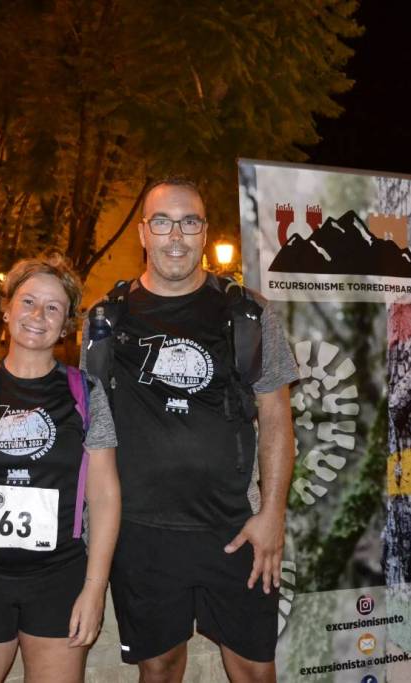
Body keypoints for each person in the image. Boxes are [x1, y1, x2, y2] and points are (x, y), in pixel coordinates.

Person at [82, 178, 297, 682]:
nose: (175, 235)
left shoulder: (248, 313)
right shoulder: (105, 321)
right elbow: (93, 431)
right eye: (162, 222)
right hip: (142, 533)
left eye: (189, 222)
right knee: (159, 668)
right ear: (142, 233)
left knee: (255, 670)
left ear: (205, 232)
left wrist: (272, 515)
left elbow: (276, 418)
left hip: (235, 527)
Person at [0, 253, 121, 683]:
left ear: (66, 324)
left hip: (58, 577)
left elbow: (104, 494)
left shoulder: (86, 393)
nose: (38, 315)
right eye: (28, 302)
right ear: (7, 308)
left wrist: (95, 588)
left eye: (53, 308)